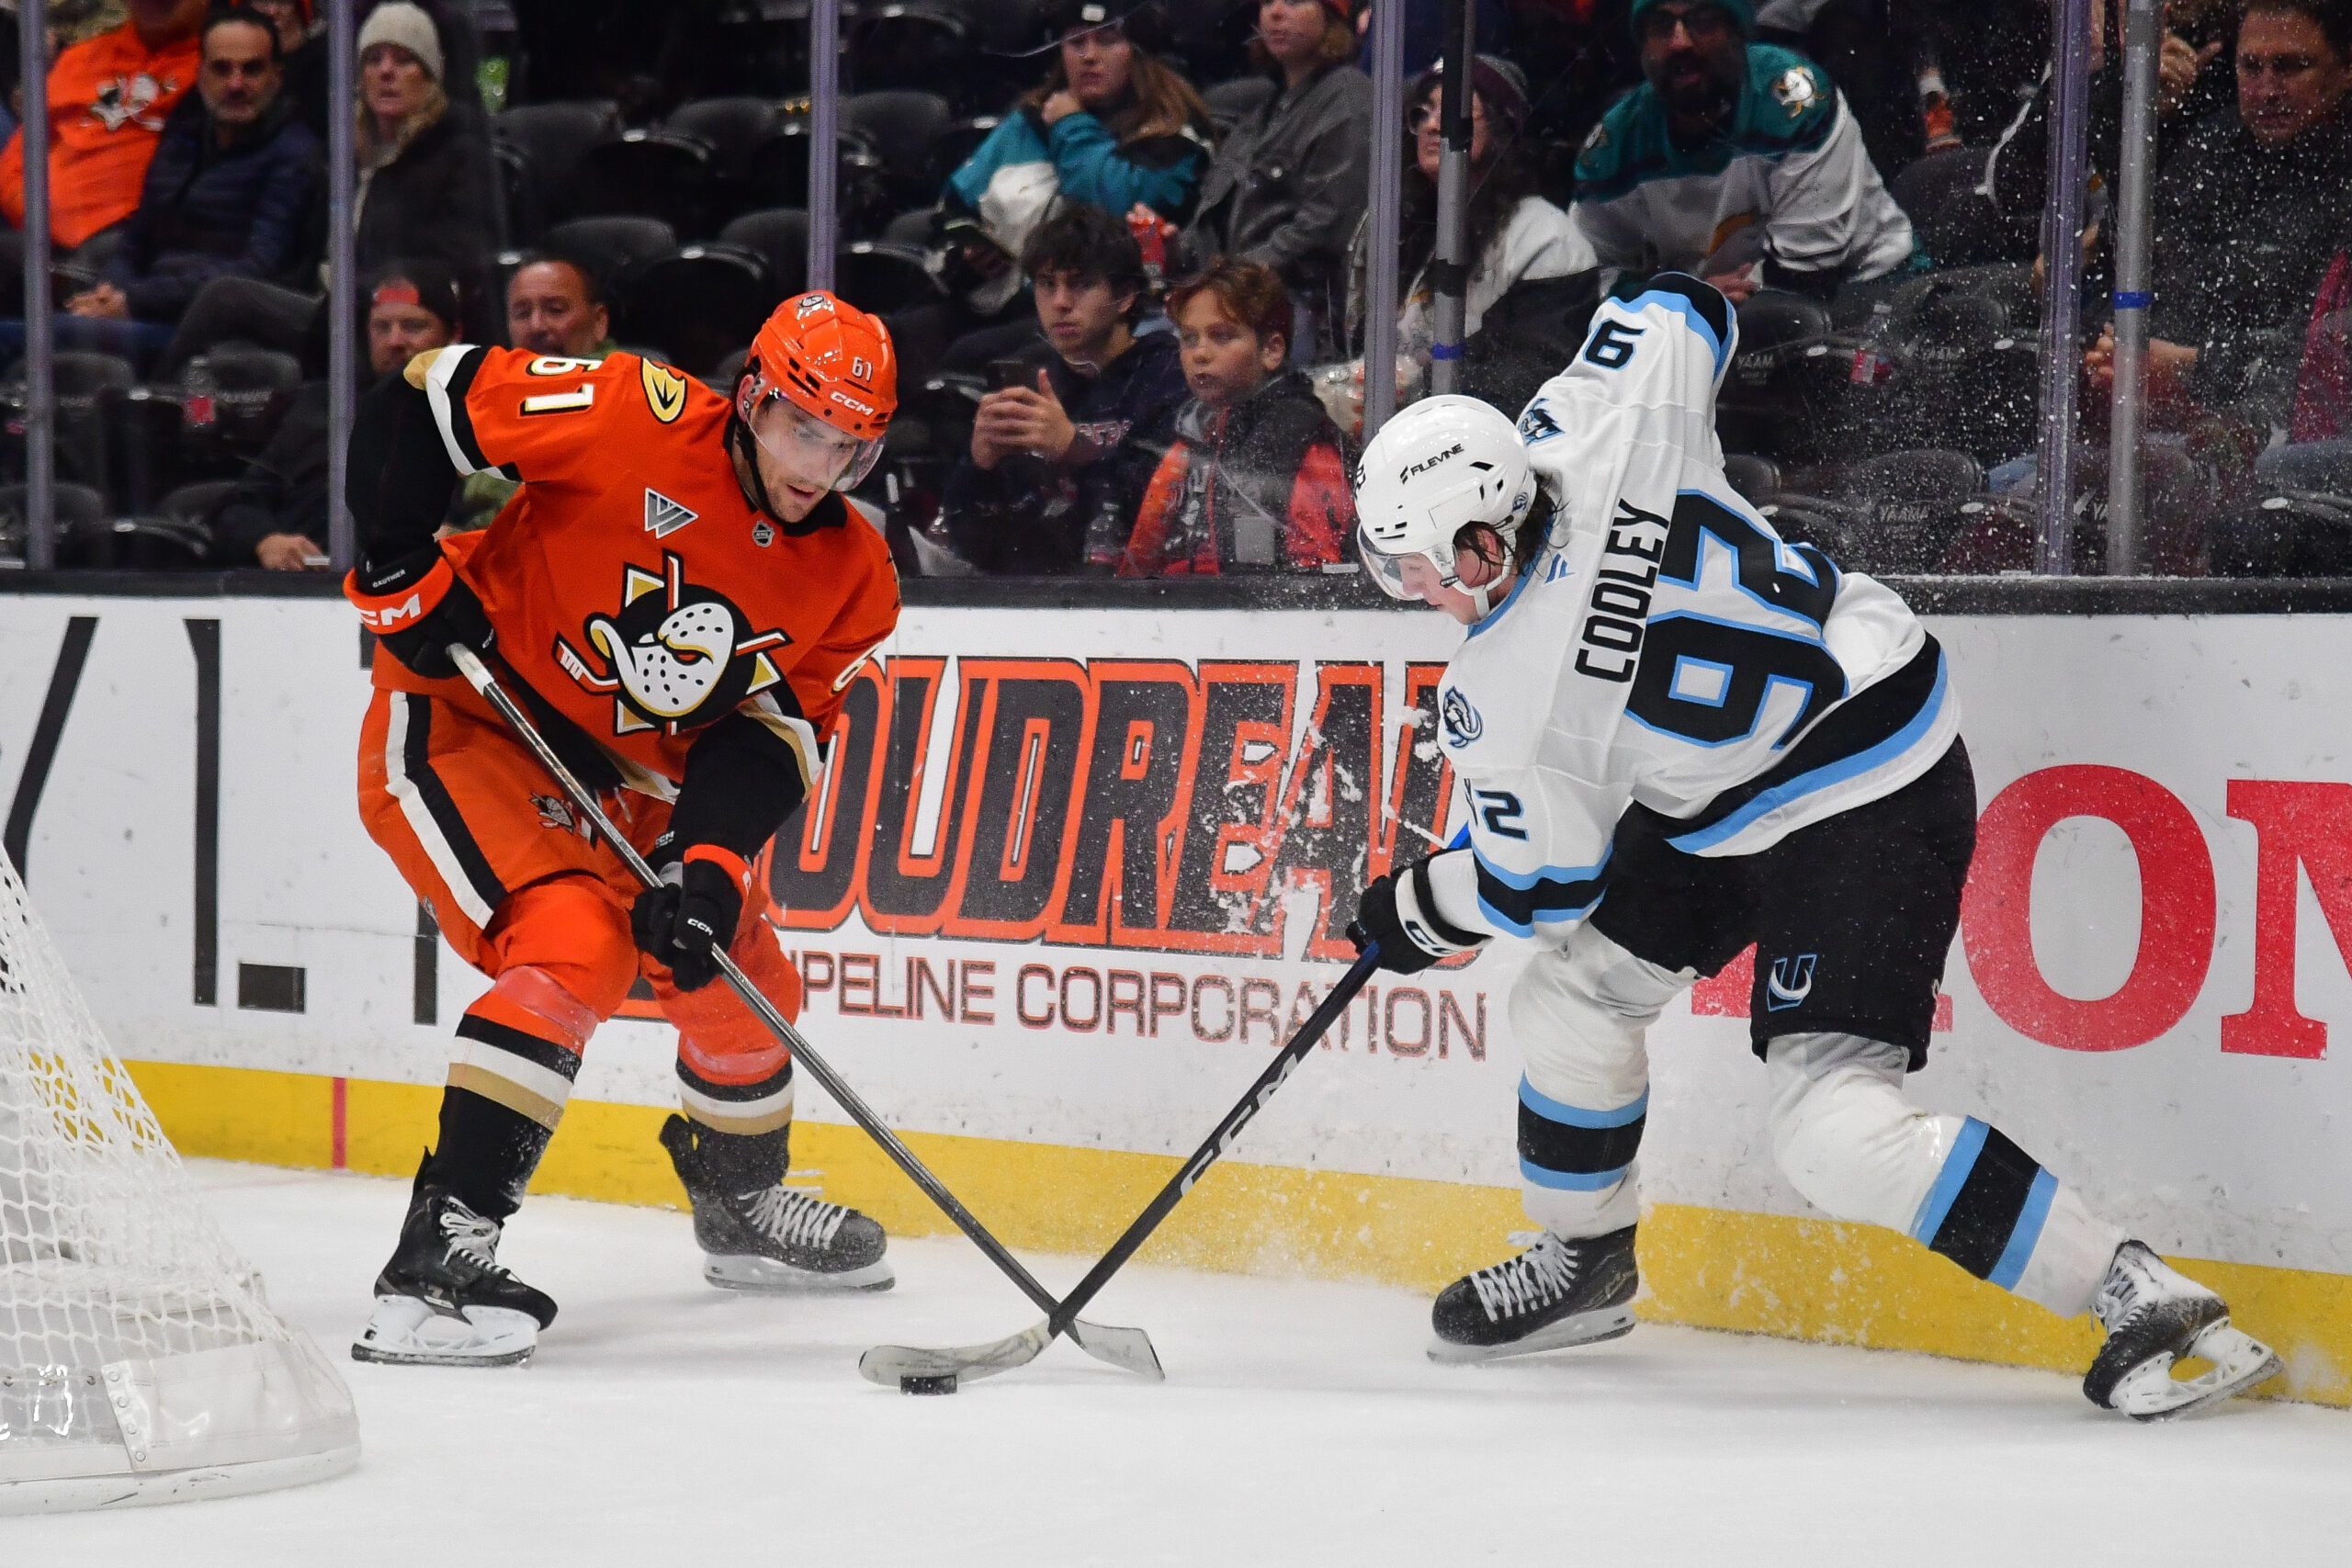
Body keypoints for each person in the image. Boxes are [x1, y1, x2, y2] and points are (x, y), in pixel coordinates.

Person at [1342, 274, 2280, 1418]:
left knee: (1830, 1128)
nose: (1414, 590)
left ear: (1485, 543)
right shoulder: (1585, 423)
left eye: (1422, 566)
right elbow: (1681, 307)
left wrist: (1416, 909)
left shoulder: (1508, 691)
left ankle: (2128, 1289)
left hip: (1868, 794)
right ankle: (1586, 1262)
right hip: (1773, 760)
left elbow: (1537, 885)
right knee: (1572, 1005)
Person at [339, 289, 903, 1365]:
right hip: (471, 718)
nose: (818, 468)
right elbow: (422, 398)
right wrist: (403, 553)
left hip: (638, 783)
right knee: (575, 949)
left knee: (733, 967)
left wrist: (712, 863)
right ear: (751, 400)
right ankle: (432, 1270)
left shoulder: (855, 576)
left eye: (850, 448)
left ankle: (739, 1207)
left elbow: (771, 738)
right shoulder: (623, 411)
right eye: (802, 430)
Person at [2083, 0, 2352, 434]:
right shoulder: (2214, 144)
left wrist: (2190, 368)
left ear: (2346, 67)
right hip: (2162, 427)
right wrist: (2111, 350)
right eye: (2251, 67)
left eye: (2289, 67)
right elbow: (2135, 273)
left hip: (2286, 450)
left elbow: (2318, 354)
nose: (2266, 90)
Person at [16, 7, 322, 371]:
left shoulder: (295, 154)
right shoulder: (183, 138)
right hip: (143, 306)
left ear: (277, 77)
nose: (236, 84)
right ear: (200, 73)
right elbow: (138, 237)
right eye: (221, 69)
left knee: (30, 342)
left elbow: (257, 269)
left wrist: (134, 300)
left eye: (251, 69)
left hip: (203, 323)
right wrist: (110, 292)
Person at [1573, 0, 1917, 303]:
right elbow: (1586, 277)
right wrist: (1679, 296)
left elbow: (1808, 271)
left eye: (1703, 20)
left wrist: (1699, 301)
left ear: (1738, 32)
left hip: (1865, 285)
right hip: (1706, 313)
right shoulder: (1616, 144)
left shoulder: (1793, 102)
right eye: (1660, 27)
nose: (1679, 43)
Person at [1340, 54, 1600, 431]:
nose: (1430, 126)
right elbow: (1353, 342)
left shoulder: (1546, 238)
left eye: (1449, 114)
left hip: (1483, 448)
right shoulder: (1391, 226)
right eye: (1422, 114)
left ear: (1500, 127)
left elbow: (1533, 379)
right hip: (1393, 435)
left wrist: (1417, 390)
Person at [937, 206, 1186, 574]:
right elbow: (971, 540)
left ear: (1126, 296)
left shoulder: (1169, 375)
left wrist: (1074, 449)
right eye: (1046, 283)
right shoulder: (1032, 378)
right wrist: (980, 466)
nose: (1061, 303)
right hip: (1030, 594)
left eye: (1081, 284)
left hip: (1136, 599)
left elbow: (1167, 512)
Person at [213, 261, 462, 571]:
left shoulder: (474, 416)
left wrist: (458, 537)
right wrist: (265, 540)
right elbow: (241, 505)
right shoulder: (322, 406)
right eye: (381, 327)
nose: (394, 341)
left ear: (453, 336)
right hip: (297, 591)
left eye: (413, 327)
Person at [1121, 258, 1353, 575]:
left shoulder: (1302, 439)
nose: (1199, 353)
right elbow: (1137, 563)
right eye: (1189, 338)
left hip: (1263, 617)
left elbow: (1319, 580)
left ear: (1271, 350)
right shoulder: (1191, 436)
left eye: (1222, 336)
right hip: (1181, 613)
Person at [1185, 0, 1374, 356]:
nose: (1274, 13)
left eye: (1294, 1)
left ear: (1332, 17)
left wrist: (1233, 281)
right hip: (1241, 301)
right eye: (1268, 2)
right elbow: (1213, 212)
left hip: (1300, 314)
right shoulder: (1266, 108)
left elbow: (1328, 223)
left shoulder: (1349, 98)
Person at [946, 0, 1213, 234]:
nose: (1090, 56)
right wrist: (970, 253)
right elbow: (955, 205)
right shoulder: (1033, 119)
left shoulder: (1174, 134)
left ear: (1139, 52)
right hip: (1031, 287)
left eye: (1107, 41)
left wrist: (1070, 125)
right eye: (1076, 42)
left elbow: (1115, 214)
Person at [0, 0, 205, 276]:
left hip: (136, 242)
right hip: (41, 235)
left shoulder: (223, 68)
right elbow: (16, 159)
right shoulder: (80, 58)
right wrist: (38, 217)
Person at [450, 253, 618, 530]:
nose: (537, 326)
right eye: (522, 313)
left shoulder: (626, 390)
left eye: (556, 310)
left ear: (599, 322)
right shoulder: (490, 395)